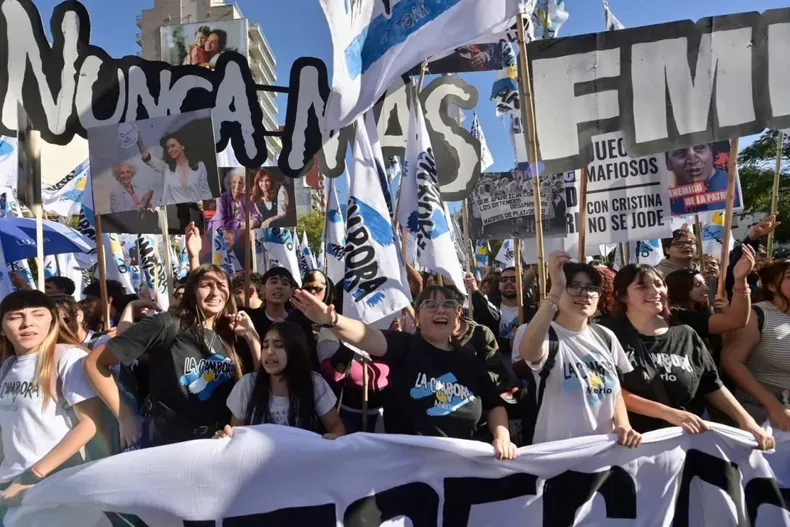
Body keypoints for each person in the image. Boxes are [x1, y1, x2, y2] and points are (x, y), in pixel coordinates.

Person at [292, 286, 519, 459]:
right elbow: (366, 335)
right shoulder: (405, 346)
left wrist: (502, 437)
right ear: (417, 316)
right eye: (430, 304)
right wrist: (332, 320)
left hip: (461, 467)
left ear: (458, 313)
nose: (441, 309)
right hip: (410, 470)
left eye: (449, 304)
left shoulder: (470, 360)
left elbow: (494, 404)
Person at [598, 264, 774, 450]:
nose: (655, 291)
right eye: (642, 286)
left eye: (659, 284)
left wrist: (746, 421)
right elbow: (606, 389)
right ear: (622, 295)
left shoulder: (686, 334)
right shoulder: (605, 333)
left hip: (683, 444)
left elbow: (711, 385)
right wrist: (668, 413)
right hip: (629, 445)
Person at [83, 265, 260, 447]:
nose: (215, 292)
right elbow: (94, 362)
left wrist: (252, 337)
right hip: (169, 444)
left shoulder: (232, 333)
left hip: (218, 444)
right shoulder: (166, 324)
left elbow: (261, 382)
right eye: (206, 285)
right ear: (192, 291)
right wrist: (125, 416)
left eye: (221, 285)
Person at [513, 253, 641, 446]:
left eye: (592, 288)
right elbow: (529, 352)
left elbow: (615, 393)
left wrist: (623, 424)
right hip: (559, 455)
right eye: (573, 286)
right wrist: (556, 288)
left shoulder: (605, 336)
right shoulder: (545, 335)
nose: (584, 293)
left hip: (604, 452)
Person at [0, 291, 103, 508]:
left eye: (38, 314)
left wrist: (35, 474)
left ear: (52, 321)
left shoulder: (67, 357)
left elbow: (90, 424)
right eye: (15, 317)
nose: (27, 323)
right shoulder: (7, 366)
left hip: (53, 481)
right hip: (9, 482)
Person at [222, 322, 345, 438]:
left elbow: (337, 426)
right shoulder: (247, 384)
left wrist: (333, 436)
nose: (269, 352)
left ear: (296, 350)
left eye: (279, 345)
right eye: (265, 346)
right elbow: (235, 433)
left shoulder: (315, 383)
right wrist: (225, 436)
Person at [722, 259, 790, 428]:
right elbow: (731, 362)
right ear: (772, 286)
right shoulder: (756, 314)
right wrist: (774, 406)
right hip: (761, 411)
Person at [137, 131, 213, 207]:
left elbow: (206, 192)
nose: (170, 150)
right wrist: (138, 139)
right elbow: (147, 158)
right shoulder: (166, 167)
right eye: (168, 148)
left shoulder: (199, 166)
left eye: (173, 146)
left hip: (195, 209)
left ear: (182, 146)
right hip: (174, 210)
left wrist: (208, 208)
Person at [666, 143, 740, 214]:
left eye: (700, 147)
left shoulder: (734, 187)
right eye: (680, 152)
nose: (693, 160)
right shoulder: (668, 203)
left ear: (711, 151)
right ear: (668, 163)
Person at [725, 215, 781, 298]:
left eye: (762, 255)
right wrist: (752, 238)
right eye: (752, 255)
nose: (758, 259)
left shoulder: (774, 278)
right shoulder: (735, 279)